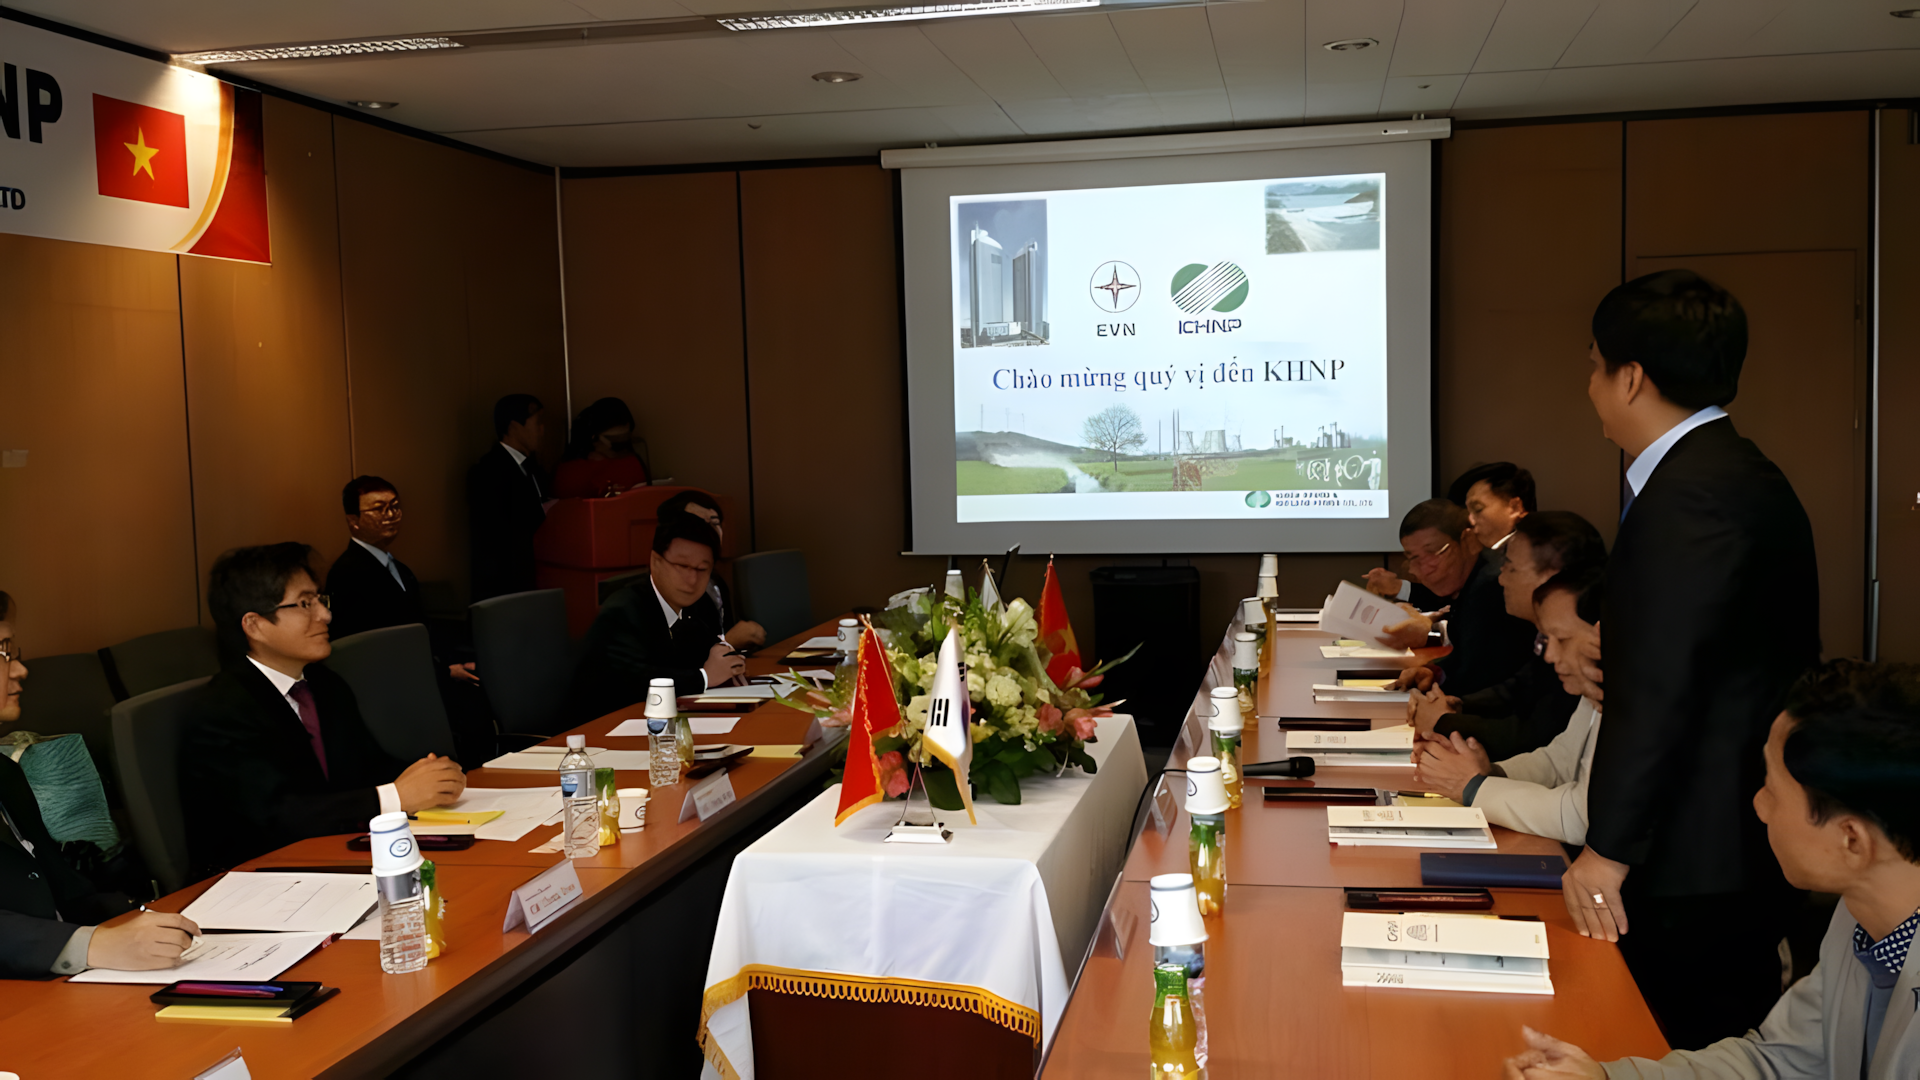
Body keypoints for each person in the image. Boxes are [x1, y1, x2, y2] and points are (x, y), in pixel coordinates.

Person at [1567, 269, 1820, 1049]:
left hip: (1696, 855)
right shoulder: (1717, 473)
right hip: (1712, 839)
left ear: (1631, 377)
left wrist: (1607, 850)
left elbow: (1667, 688)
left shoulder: (1693, 495)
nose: (1590, 387)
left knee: (1682, 1038)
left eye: (1593, 366)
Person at [1503, 659, 1920, 1080]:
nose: (1759, 806)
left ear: (1852, 840)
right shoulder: (1860, 918)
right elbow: (1778, 1060)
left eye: (1773, 790)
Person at [183, 544, 467, 875]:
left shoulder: (324, 684)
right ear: (255, 625)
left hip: (338, 856)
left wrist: (431, 775)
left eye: (320, 599)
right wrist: (395, 797)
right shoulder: (223, 711)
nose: (325, 615)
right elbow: (277, 818)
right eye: (305, 604)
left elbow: (368, 767)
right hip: (258, 881)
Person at [0, 591, 200, 977]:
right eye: (5, 652)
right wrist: (91, 945)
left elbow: (64, 890)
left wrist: (148, 914)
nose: (21, 670)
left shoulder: (6, 773)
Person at [1412, 568, 1605, 845]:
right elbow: (1559, 761)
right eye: (1546, 641)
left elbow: (1580, 819)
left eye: (1561, 640)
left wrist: (1473, 787)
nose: (1549, 655)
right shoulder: (1594, 688)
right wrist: (1491, 773)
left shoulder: (1641, 704)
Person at [1409, 511, 1602, 760]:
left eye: (1510, 568)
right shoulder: (1544, 629)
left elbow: (1539, 734)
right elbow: (1521, 687)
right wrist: (1459, 704)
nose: (1500, 579)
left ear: (1553, 577)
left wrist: (1443, 722)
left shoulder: (1584, 636)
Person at [565, 513, 746, 724]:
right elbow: (634, 682)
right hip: (602, 730)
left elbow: (705, 654)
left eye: (701, 569)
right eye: (682, 566)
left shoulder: (701, 604)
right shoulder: (623, 611)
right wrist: (704, 677)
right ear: (656, 561)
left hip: (669, 723)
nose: (692, 579)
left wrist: (728, 663)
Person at [1372, 499, 1537, 698]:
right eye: (1413, 557)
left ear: (1468, 541)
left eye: (1433, 553)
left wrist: (1443, 710)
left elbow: (1482, 679)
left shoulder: (1491, 586)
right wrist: (1434, 673)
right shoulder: (1470, 581)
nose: (1421, 570)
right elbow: (1467, 658)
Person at [326, 475, 478, 684]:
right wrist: (444, 672)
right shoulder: (347, 573)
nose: (391, 515)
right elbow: (371, 645)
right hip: (388, 680)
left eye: (395, 506)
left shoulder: (397, 566)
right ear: (353, 521)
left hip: (416, 668)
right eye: (379, 508)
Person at [1366, 462, 1535, 598]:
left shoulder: (1532, 559)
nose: (1469, 519)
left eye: (1477, 508)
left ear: (1514, 507)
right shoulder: (1489, 557)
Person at [655, 490, 767, 650]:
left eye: (714, 524)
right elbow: (674, 657)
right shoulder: (664, 588)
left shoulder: (715, 580)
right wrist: (728, 642)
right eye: (697, 524)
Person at [468, 394, 549, 602]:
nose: (542, 430)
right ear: (514, 427)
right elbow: (495, 533)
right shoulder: (488, 471)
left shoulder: (534, 468)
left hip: (534, 576)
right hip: (503, 584)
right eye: (537, 423)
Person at [553, 397, 651, 499]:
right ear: (595, 440)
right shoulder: (572, 471)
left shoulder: (630, 463)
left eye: (626, 437)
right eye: (614, 439)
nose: (622, 446)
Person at [1448, 461, 1536, 551]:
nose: (1470, 521)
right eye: (1468, 511)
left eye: (1478, 509)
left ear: (1515, 507)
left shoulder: (1538, 557)